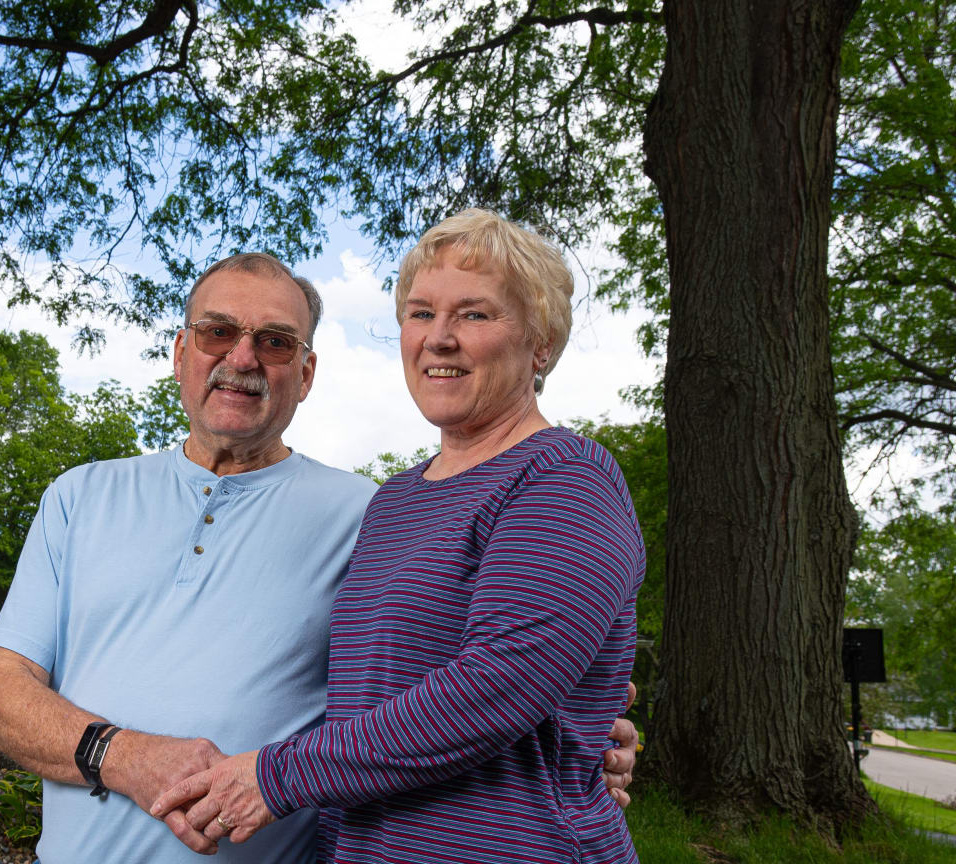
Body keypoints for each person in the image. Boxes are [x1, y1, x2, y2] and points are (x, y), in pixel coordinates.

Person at [0, 251, 639, 863]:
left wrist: (584, 725)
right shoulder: (81, 496)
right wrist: (125, 757)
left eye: (275, 342)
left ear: (307, 372)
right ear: (181, 353)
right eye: (216, 332)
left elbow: (484, 670)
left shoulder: (368, 512)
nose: (243, 357)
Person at [152, 211, 643, 864]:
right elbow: (367, 686)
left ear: (541, 342)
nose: (438, 339)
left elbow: (496, 689)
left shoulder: (565, 477)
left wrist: (274, 777)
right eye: (420, 314)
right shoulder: (394, 501)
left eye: (474, 315)